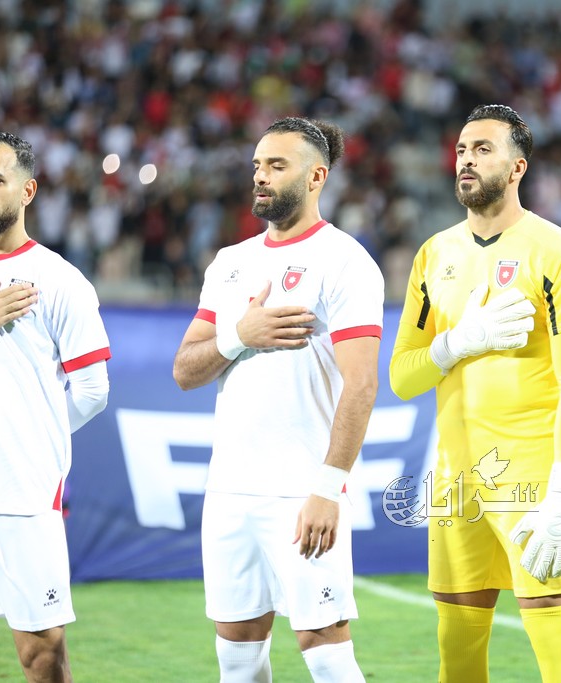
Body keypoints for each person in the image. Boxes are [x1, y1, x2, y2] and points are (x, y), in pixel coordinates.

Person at [389, 104, 561, 682]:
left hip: (530, 480)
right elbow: (403, 377)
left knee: (558, 658)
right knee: (457, 657)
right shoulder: (434, 254)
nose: (466, 160)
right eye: (462, 150)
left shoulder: (557, 251)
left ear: (517, 167)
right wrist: (455, 344)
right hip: (456, 483)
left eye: (483, 150)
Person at [173, 117, 381, 683]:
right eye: (258, 165)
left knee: (325, 650)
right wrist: (240, 335)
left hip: (302, 490)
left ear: (316, 176)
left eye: (277, 166)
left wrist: (328, 489)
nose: (261, 176)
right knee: (237, 655)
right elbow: (185, 370)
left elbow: (362, 384)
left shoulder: (345, 261)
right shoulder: (230, 262)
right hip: (229, 490)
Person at [0, 131, 111, 683]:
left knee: (42, 655)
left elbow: (92, 390)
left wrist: (35, 440)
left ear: (27, 191)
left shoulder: (60, 280)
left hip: (22, 492)